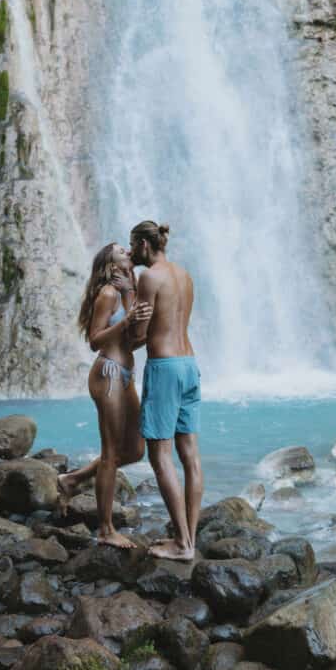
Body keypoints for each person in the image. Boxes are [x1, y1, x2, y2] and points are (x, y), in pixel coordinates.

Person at [57, 243, 152, 548]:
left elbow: (131, 343)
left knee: (136, 449)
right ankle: (106, 529)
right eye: (121, 251)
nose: (128, 252)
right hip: (107, 373)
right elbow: (95, 341)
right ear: (110, 265)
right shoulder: (108, 294)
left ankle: (71, 480)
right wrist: (127, 320)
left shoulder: (127, 293)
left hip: (124, 375)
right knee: (111, 452)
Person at [129, 220, 202, 561]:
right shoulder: (185, 275)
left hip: (164, 368)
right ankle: (191, 538)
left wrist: (129, 316)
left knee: (160, 456)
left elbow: (139, 337)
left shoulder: (149, 278)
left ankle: (182, 545)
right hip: (190, 365)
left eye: (133, 247)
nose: (131, 254)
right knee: (190, 456)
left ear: (145, 244)